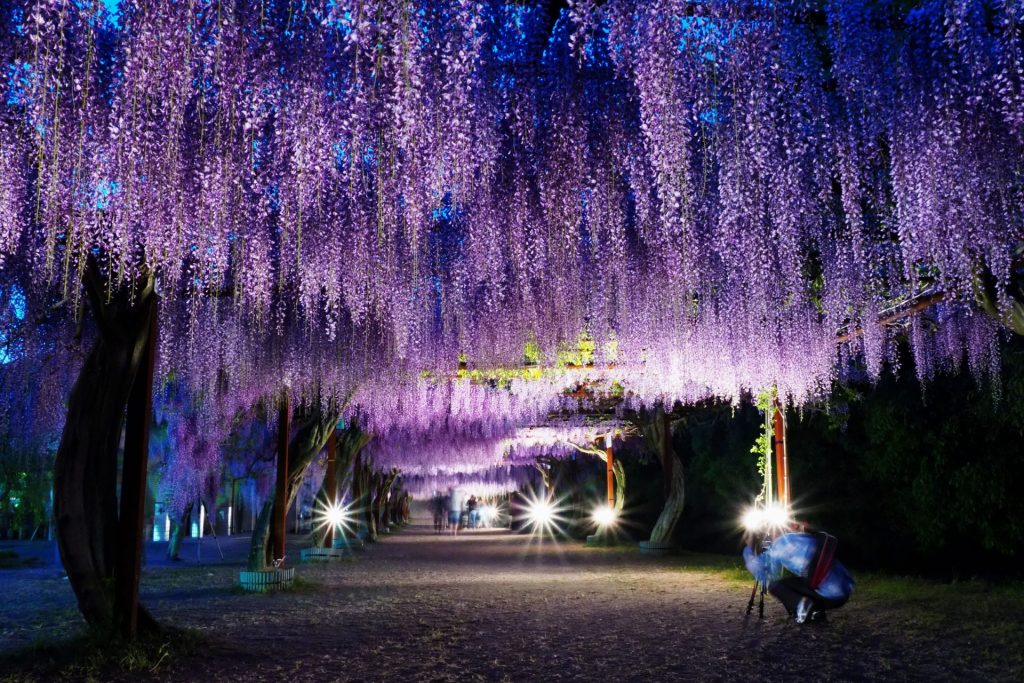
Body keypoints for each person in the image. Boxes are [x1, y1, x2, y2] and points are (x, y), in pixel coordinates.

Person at [743, 531, 854, 623]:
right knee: (805, 578)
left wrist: (748, 552)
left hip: (828, 595)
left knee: (775, 586)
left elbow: (769, 575)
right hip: (843, 594)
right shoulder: (796, 536)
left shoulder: (778, 547)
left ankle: (804, 607)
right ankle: (817, 613)